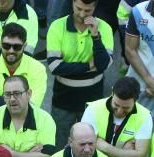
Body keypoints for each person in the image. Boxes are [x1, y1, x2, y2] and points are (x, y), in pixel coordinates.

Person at [45, 0, 114, 146]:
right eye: (79, 8)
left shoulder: (104, 28)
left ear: (95, 7)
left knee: (89, 145)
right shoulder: (57, 26)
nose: (82, 14)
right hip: (63, 98)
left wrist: (95, 35)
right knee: (59, 143)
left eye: (87, 11)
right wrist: (89, 65)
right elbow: (55, 66)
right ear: (72, 3)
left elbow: (103, 64)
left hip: (93, 98)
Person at [81, 76, 153, 157]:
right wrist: (124, 152)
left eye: (125, 108)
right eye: (116, 105)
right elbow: (85, 149)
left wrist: (101, 144)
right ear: (112, 91)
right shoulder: (93, 108)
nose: (119, 111)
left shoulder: (145, 117)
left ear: (136, 100)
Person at [0, 23, 48, 126]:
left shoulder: (38, 69)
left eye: (16, 47)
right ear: (0, 44)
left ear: (24, 46)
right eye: (6, 46)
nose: (11, 51)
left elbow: (31, 108)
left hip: (21, 131)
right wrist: (18, 102)